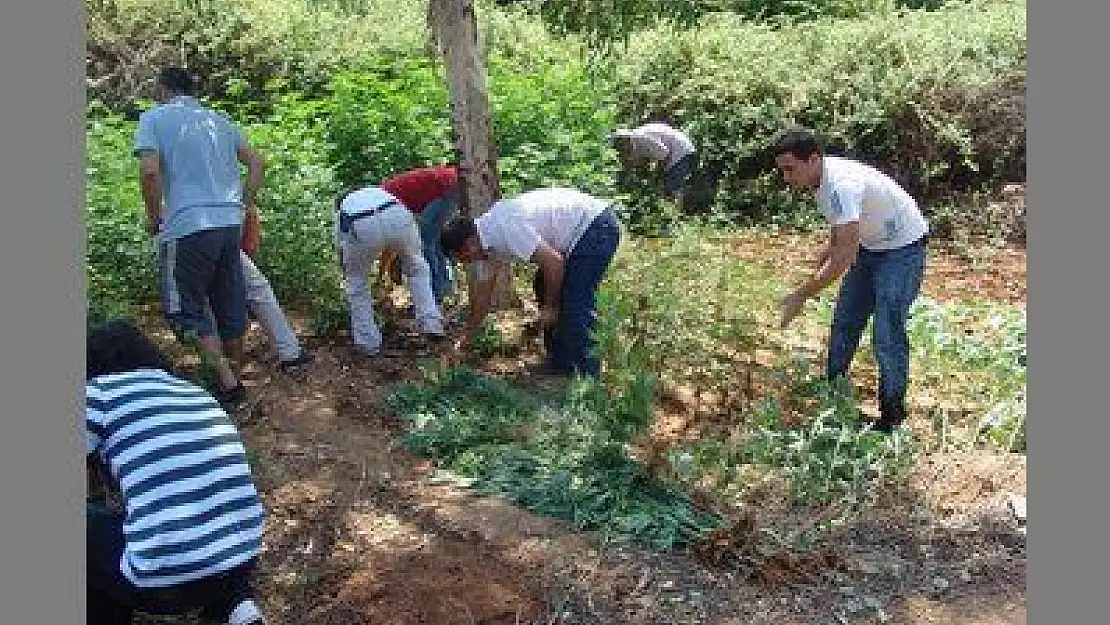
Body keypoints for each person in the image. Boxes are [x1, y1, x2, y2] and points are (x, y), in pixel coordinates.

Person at [85, 319, 268, 625]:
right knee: (205, 524)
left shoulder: (98, 392)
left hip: (164, 583)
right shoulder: (195, 392)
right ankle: (239, 611)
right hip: (242, 562)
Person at [772, 126, 929, 433]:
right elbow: (842, 230)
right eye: (783, 171)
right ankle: (833, 395)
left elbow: (844, 258)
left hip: (903, 249)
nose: (786, 178)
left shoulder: (841, 184)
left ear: (813, 159)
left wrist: (801, 294)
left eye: (790, 169)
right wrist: (826, 251)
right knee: (845, 320)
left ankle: (891, 416)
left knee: (887, 330)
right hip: (872, 246)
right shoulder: (820, 181)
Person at [134, 67, 265, 407]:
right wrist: (242, 204)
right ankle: (234, 373)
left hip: (187, 225)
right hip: (227, 223)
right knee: (228, 298)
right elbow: (256, 163)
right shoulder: (219, 120)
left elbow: (149, 172)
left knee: (186, 307)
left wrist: (154, 217)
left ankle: (227, 384)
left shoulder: (154, 119)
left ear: (163, 89)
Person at [440, 186, 621, 378]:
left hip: (595, 227)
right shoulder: (487, 244)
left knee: (575, 303)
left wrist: (550, 307)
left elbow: (554, 263)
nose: (465, 263)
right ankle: (561, 364)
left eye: (462, 258)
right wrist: (467, 338)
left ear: (468, 246)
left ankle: (588, 377)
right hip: (578, 233)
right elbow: (483, 299)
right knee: (543, 286)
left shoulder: (506, 229)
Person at [334, 184, 447, 356]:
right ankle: (431, 323)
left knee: (357, 285)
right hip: (396, 213)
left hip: (360, 222)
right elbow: (388, 240)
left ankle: (368, 344)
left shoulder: (343, 209)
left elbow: (343, 254)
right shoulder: (378, 192)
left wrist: (352, 272)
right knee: (417, 268)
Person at [380, 164, 461, 304]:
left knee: (424, 242)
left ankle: (435, 295)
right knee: (433, 240)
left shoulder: (380, 202)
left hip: (445, 188)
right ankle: (445, 289)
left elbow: (390, 244)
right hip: (452, 184)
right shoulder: (385, 193)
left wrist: (379, 277)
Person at [611, 122, 698, 206]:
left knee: (671, 187)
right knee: (666, 186)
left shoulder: (642, 139)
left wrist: (658, 176)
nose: (621, 151)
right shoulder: (633, 145)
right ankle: (671, 212)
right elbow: (643, 164)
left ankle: (675, 215)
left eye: (621, 147)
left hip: (682, 152)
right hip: (675, 153)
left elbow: (664, 154)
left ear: (625, 140)